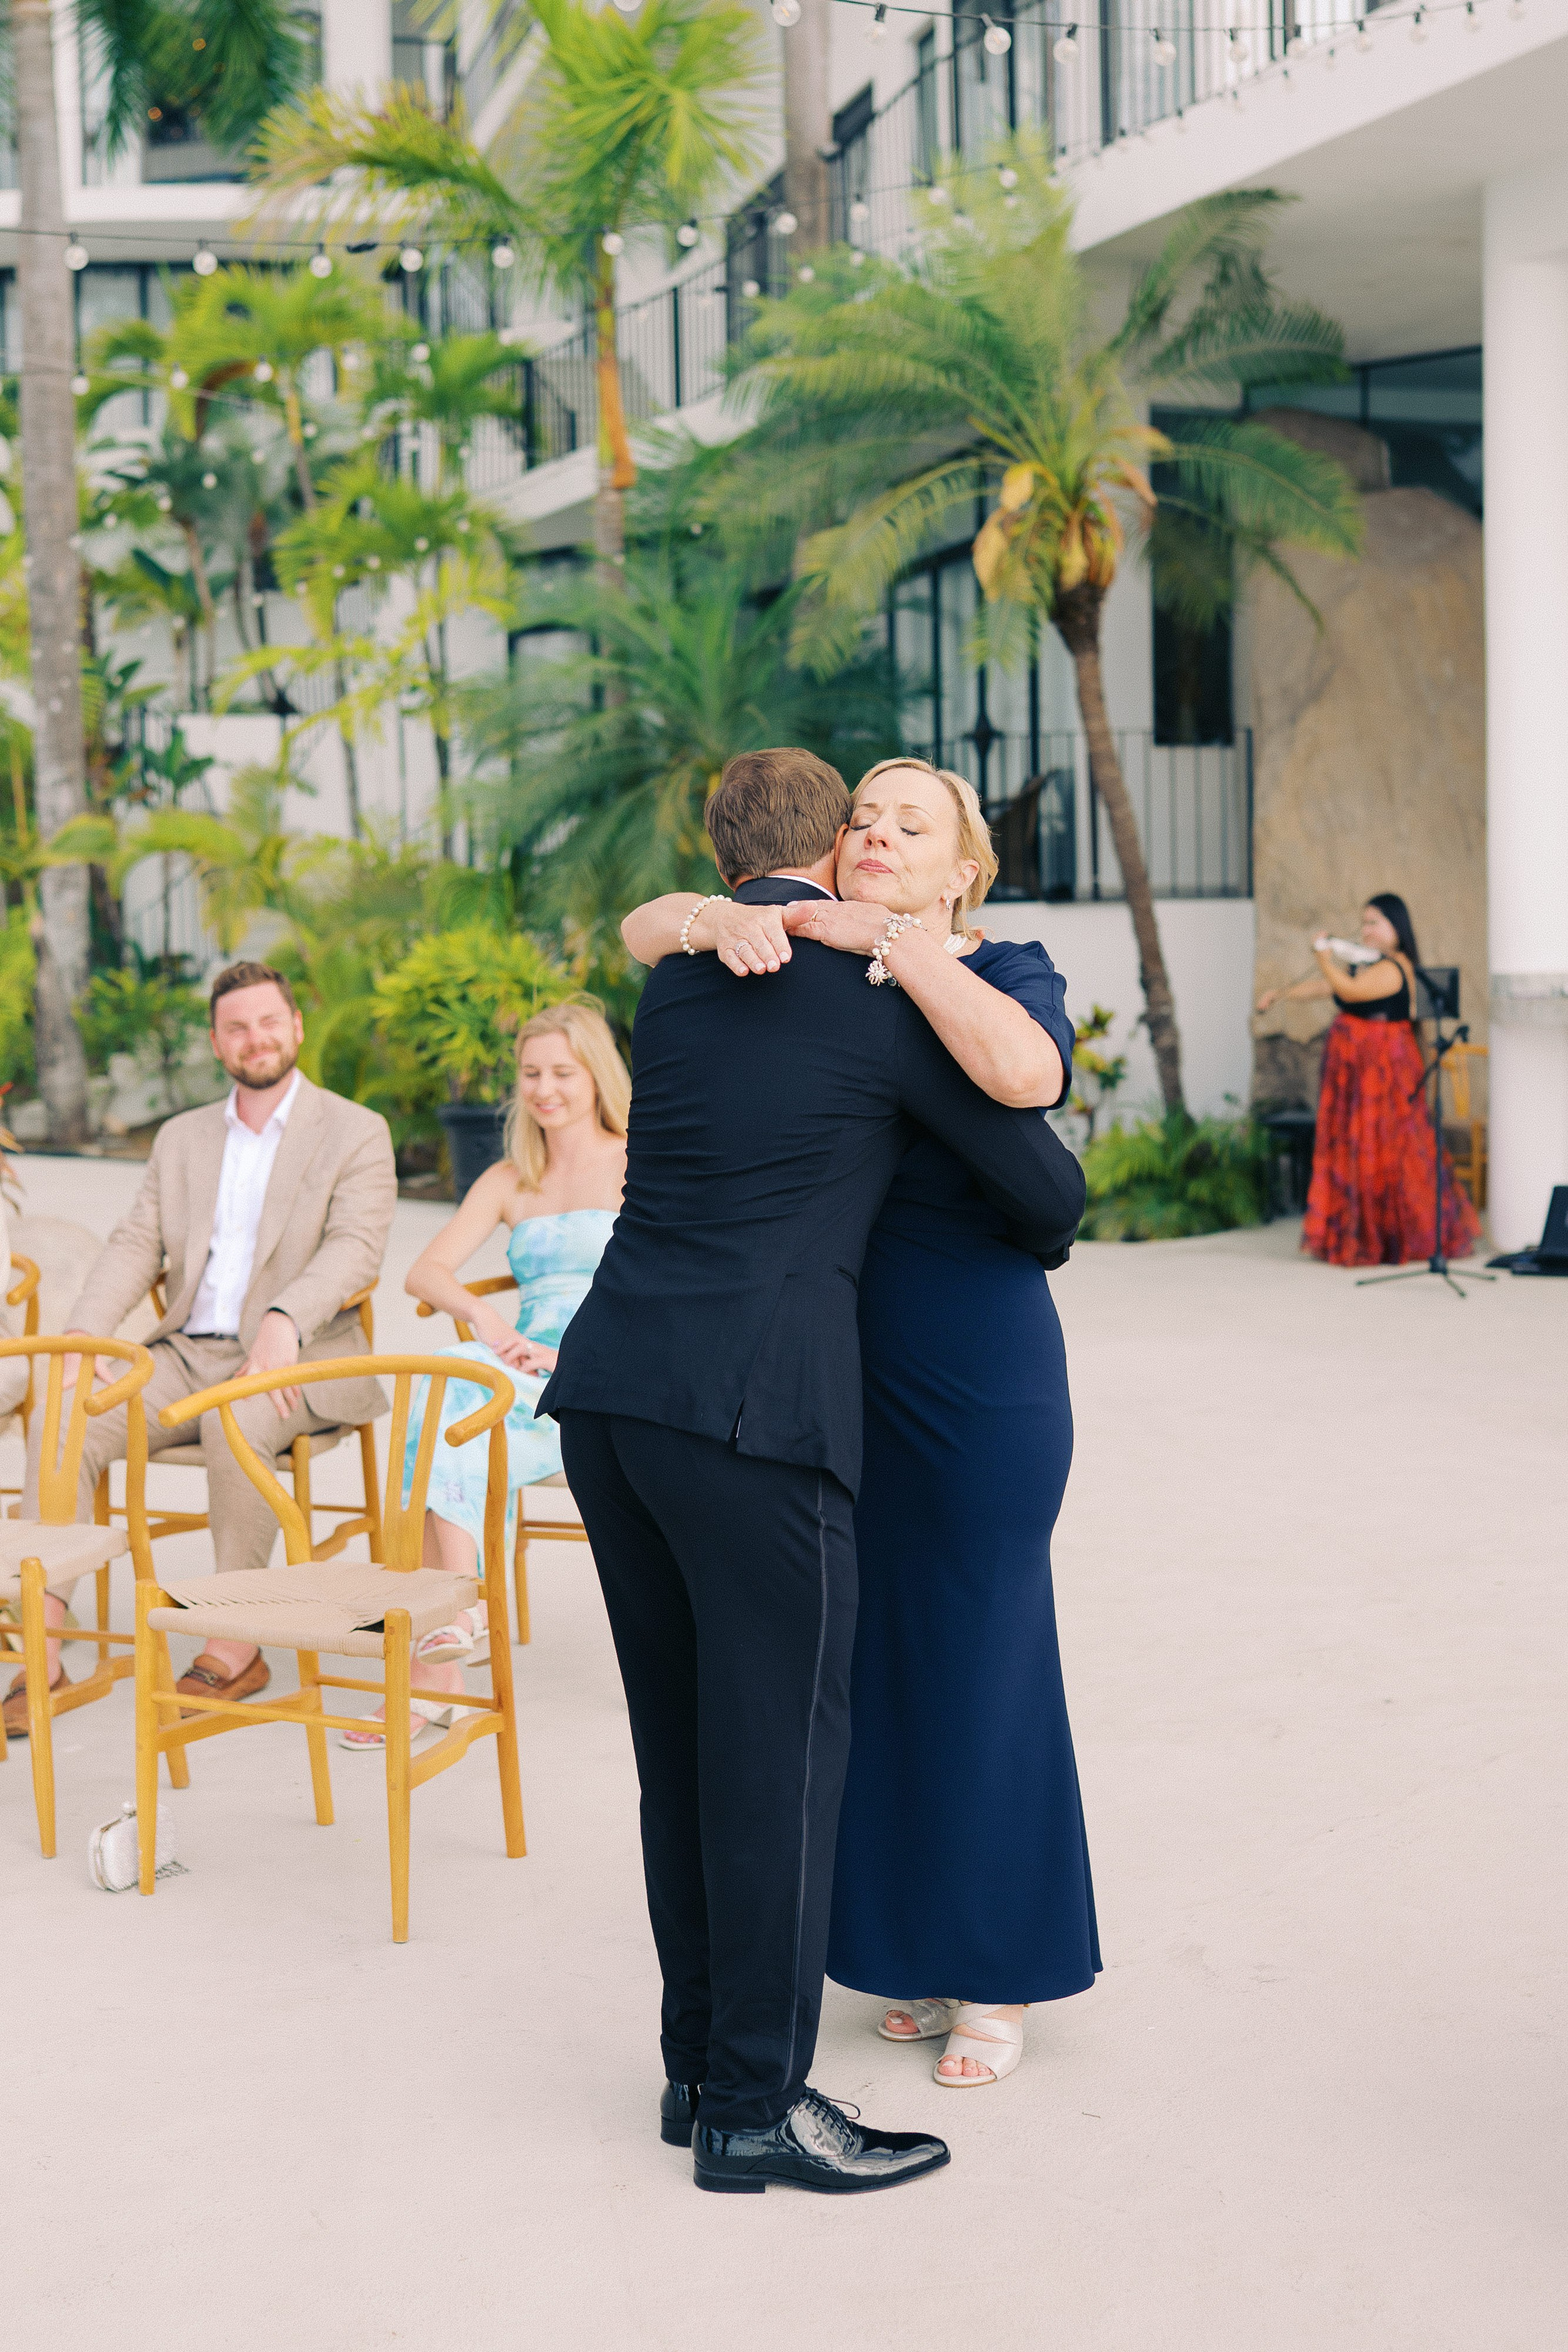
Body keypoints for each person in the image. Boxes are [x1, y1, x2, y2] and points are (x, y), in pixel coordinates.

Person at [543, 745, 1084, 2196]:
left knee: (686, 1754)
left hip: (613, 1395)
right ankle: (754, 2105)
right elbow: (1049, 1189)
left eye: (912, 820)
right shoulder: (863, 1003)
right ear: (821, 847)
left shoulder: (685, 977)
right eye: (863, 815)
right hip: (756, 1411)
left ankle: (695, 2068)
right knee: (777, 1758)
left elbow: (664, 930)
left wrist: (696, 916)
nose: (881, 835)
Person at [6, 961, 396, 1739]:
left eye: (268, 1022)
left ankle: (235, 1641)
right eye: (238, 1028)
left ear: (296, 1026)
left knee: (236, 1420)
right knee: (62, 1416)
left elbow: (356, 1247)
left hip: (302, 1357)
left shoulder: (355, 1131)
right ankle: (44, 1645)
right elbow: (134, 1244)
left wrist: (283, 1321)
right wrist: (86, 1332)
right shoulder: (183, 1138)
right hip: (185, 1354)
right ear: (218, 1044)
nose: (256, 1039)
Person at [339, 1000, 627, 1750]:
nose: (545, 1089)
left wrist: (571, 1355)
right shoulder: (510, 1176)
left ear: (596, 1076)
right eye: (531, 1073)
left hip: (603, 1379)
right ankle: (457, 1621)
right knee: (453, 1387)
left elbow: (668, 1291)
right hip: (511, 1375)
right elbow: (425, 1271)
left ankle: (445, 1642)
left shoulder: (640, 1160)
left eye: (563, 1072)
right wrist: (484, 1317)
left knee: (443, 1396)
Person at [1256, 892, 1481, 1268]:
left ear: (1398, 927)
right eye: (1364, 923)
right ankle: (1357, 1232)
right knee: (1354, 1148)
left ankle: (1392, 1239)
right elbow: (1328, 988)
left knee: (1385, 1148)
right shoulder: (1369, 963)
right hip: (1354, 1072)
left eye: (1375, 922)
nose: (1367, 930)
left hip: (1384, 1074)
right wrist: (1280, 995)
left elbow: (1349, 990)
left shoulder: (1396, 968)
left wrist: (1324, 960)